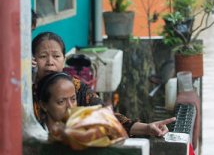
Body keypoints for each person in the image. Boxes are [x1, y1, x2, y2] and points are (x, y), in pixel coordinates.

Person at [32, 31, 175, 136]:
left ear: (64, 59)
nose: (50, 62)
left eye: (56, 56)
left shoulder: (76, 87)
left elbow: (106, 116)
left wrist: (147, 128)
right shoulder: (23, 91)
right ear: (33, 59)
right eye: (43, 56)